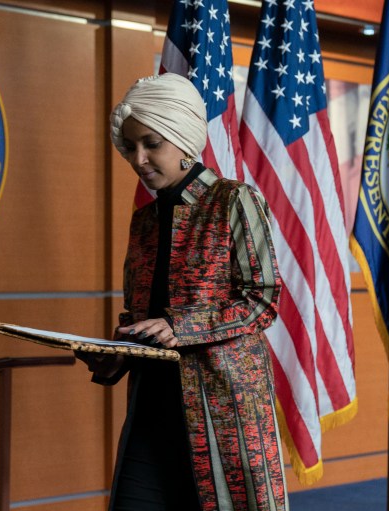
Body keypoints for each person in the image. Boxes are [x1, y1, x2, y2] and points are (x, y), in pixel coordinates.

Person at [82, 73, 289, 511]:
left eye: (151, 143)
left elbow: (263, 299)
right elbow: (139, 314)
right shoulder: (144, 220)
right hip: (152, 406)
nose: (139, 159)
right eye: (131, 146)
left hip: (224, 408)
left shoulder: (234, 200)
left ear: (182, 137)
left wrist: (180, 325)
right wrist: (114, 352)